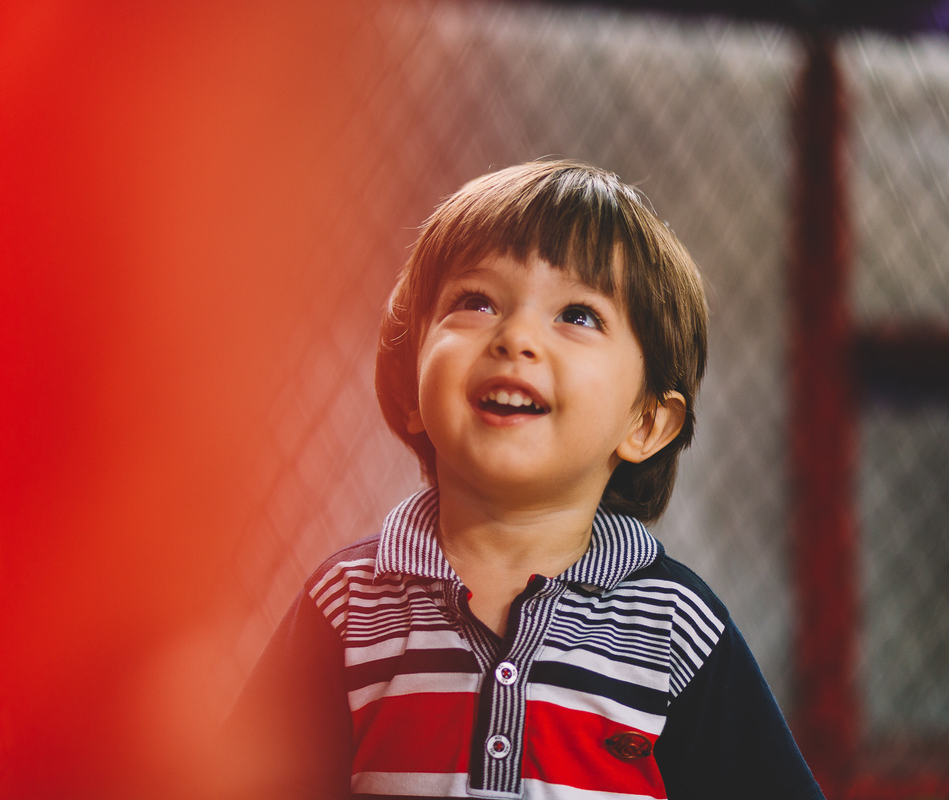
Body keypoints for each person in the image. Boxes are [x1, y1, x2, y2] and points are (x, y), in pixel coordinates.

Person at [222, 160, 824, 800]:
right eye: (476, 302)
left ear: (647, 422)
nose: (515, 337)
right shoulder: (348, 610)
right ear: (408, 387)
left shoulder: (676, 629)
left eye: (579, 315)